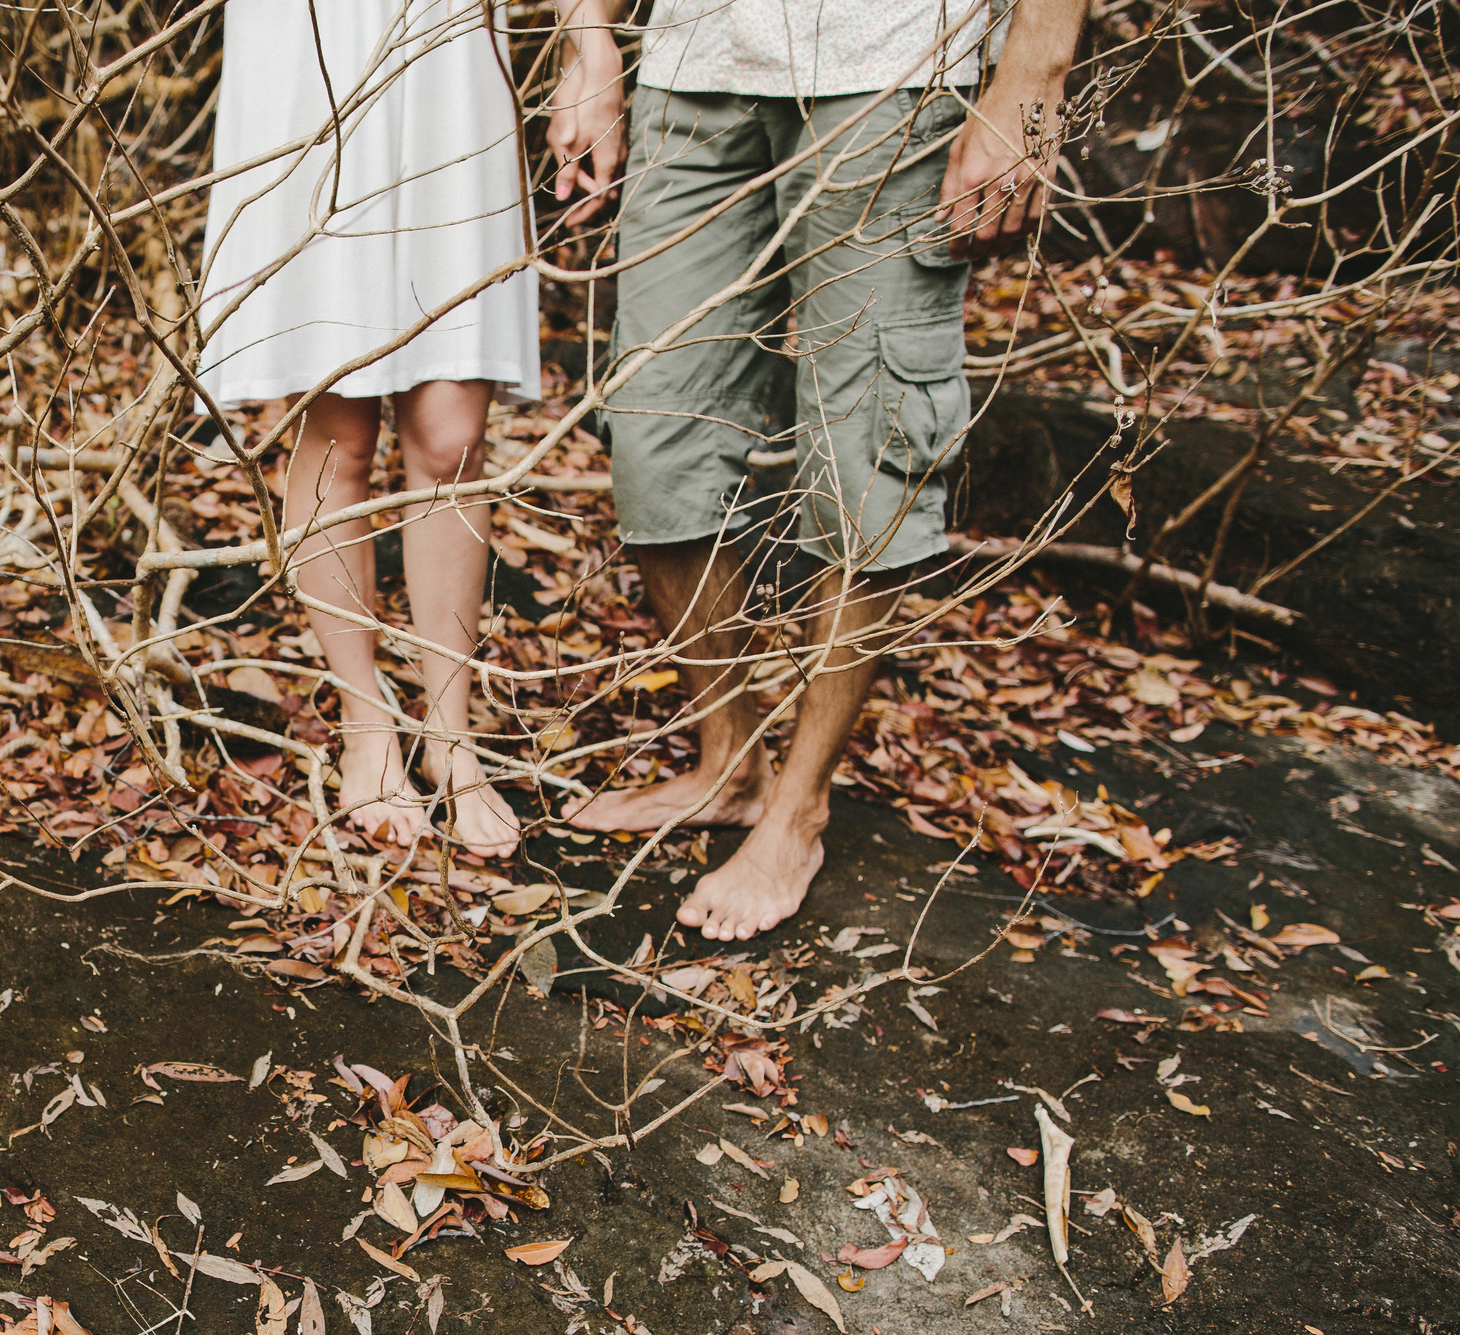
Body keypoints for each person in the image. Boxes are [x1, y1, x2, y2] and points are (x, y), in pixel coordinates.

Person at [563, 0, 1088, 938]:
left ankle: (798, 807)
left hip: (891, 66)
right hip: (693, 62)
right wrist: (590, 36)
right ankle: (727, 763)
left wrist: (1027, 84)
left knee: (868, 449)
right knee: (653, 429)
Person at [196, 0, 627, 857]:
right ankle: (368, 724)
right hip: (312, 43)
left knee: (450, 437)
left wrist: (591, 43)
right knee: (339, 420)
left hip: (452, 47)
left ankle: (451, 736)